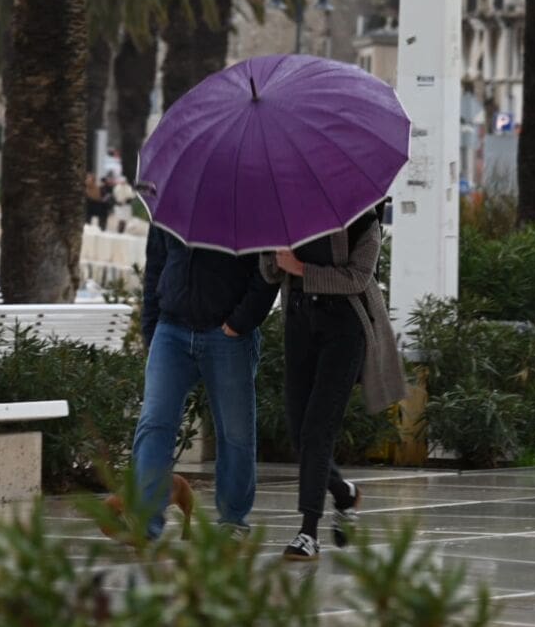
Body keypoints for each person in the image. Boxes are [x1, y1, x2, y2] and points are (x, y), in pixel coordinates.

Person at [261, 207, 407, 561]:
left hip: (344, 329)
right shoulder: (285, 212)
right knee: (299, 433)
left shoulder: (363, 220)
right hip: (299, 322)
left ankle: (308, 532)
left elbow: (357, 278)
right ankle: (344, 494)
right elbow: (268, 272)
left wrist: (301, 269)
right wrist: (274, 255)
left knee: (317, 430)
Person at [132, 224, 279, 540]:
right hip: (171, 330)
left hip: (227, 334)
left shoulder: (252, 207)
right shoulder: (172, 203)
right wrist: (151, 330)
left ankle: (233, 520)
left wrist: (241, 321)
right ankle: (146, 521)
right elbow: (155, 265)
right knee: (154, 423)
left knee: (235, 432)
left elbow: (269, 271)